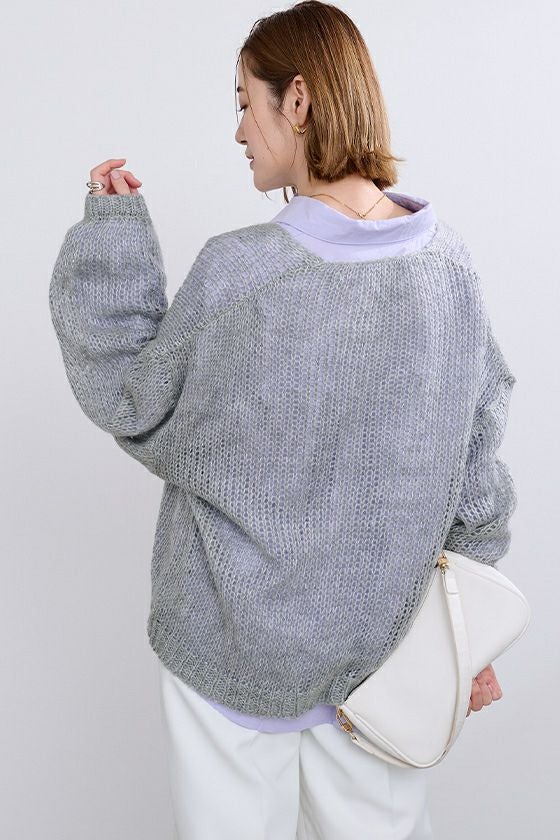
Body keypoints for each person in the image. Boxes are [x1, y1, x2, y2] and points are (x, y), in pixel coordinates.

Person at [49, 2, 516, 837]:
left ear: (297, 100)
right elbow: (476, 463)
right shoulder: (448, 270)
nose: (238, 130)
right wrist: (465, 637)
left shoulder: (244, 274)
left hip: (230, 648)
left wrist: (112, 238)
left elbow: (136, 400)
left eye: (245, 102)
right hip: (384, 659)